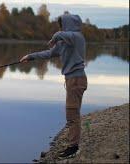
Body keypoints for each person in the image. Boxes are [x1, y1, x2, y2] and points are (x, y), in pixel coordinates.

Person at [20, 13, 88, 159]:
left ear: (68, 25)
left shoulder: (77, 37)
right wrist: (30, 56)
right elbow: (49, 53)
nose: (61, 28)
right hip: (72, 80)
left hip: (76, 80)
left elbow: (59, 34)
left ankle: (73, 148)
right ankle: (73, 144)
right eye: (61, 25)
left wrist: (53, 38)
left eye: (62, 25)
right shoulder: (65, 41)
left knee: (71, 114)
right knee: (73, 113)